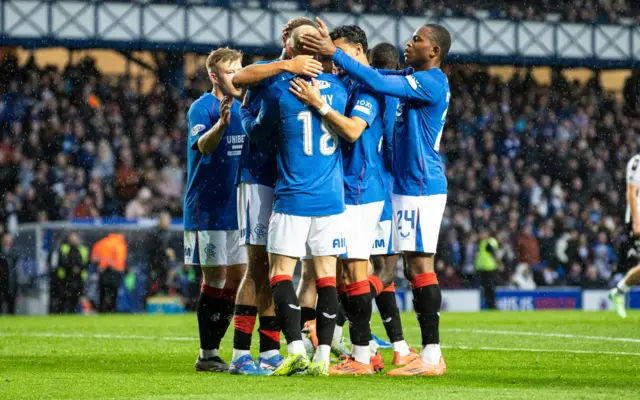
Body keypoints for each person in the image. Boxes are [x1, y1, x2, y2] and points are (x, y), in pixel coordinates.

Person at [302, 17, 451, 376]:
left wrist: (332, 51)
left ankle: (428, 357)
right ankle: (382, 348)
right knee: (387, 270)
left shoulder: (431, 81)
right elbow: (377, 75)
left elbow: (372, 78)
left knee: (416, 267)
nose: (409, 43)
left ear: (433, 51)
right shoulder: (406, 79)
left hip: (418, 185)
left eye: (417, 40)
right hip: (398, 186)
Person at [289, 28, 413, 374]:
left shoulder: (368, 88)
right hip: (346, 191)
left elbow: (354, 131)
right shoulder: (353, 84)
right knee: (346, 274)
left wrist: (320, 104)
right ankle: (367, 351)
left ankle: (363, 355)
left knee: (357, 272)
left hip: (360, 190)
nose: (335, 58)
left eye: (339, 50)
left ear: (358, 50)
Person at [240, 24, 348, 376]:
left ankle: (295, 349)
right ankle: (323, 357)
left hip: (293, 196)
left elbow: (257, 131)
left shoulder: (281, 93)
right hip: (331, 198)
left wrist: (244, 113)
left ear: (291, 48)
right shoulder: (341, 89)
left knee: (279, 273)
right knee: (326, 277)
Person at [228, 17, 322, 375]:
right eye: (304, 42)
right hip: (256, 178)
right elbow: (238, 79)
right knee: (257, 268)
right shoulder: (272, 71)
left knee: (276, 270)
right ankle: (239, 354)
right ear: (287, 38)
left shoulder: (310, 78)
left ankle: (268, 351)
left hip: (284, 183)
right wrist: (286, 64)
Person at [184, 47, 247, 373]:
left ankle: (218, 351)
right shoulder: (202, 108)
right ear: (213, 76)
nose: (236, 74)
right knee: (217, 276)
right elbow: (204, 146)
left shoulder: (245, 107)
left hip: (238, 208)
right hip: (206, 207)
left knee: (239, 279)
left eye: (239, 68)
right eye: (229, 70)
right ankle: (207, 354)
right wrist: (220, 125)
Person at [610, 153, 640, 318]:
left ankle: (618, 292)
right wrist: (636, 222)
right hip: (638, 219)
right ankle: (619, 292)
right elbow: (631, 193)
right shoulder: (637, 162)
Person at [49, 232, 89, 314]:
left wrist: (79, 268)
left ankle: (72, 313)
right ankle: (61, 314)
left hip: (78, 278)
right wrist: (72, 268)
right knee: (63, 298)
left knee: (75, 299)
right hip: (65, 278)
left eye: (75, 238)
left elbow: (86, 263)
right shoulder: (63, 248)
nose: (74, 240)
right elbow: (62, 262)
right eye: (72, 238)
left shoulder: (83, 249)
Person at [91, 232, 127, 313]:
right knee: (114, 292)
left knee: (102, 292)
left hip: (103, 270)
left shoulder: (103, 242)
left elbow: (95, 257)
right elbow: (119, 258)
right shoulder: (119, 243)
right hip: (115, 271)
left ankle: (101, 309)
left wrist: (101, 265)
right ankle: (112, 309)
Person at [146, 212, 173, 304]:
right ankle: (149, 305)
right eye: (167, 220)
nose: (169, 222)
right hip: (154, 264)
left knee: (165, 283)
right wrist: (165, 250)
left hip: (164, 264)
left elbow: (171, 250)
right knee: (153, 284)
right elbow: (152, 248)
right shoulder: (153, 232)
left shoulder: (168, 233)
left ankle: (163, 304)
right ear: (161, 221)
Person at [475, 228, 502, 309]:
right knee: (486, 288)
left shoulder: (490, 241)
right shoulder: (482, 242)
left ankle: (492, 305)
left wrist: (499, 264)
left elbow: (495, 253)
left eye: (482, 233)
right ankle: (489, 305)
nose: (481, 235)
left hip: (490, 268)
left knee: (490, 288)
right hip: (483, 269)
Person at [0, 232, 18, 314]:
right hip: (2, 284)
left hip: (12, 284)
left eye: (10, 239)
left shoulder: (14, 253)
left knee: (11, 308)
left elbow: (15, 271)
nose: (8, 241)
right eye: (6, 239)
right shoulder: (2, 253)